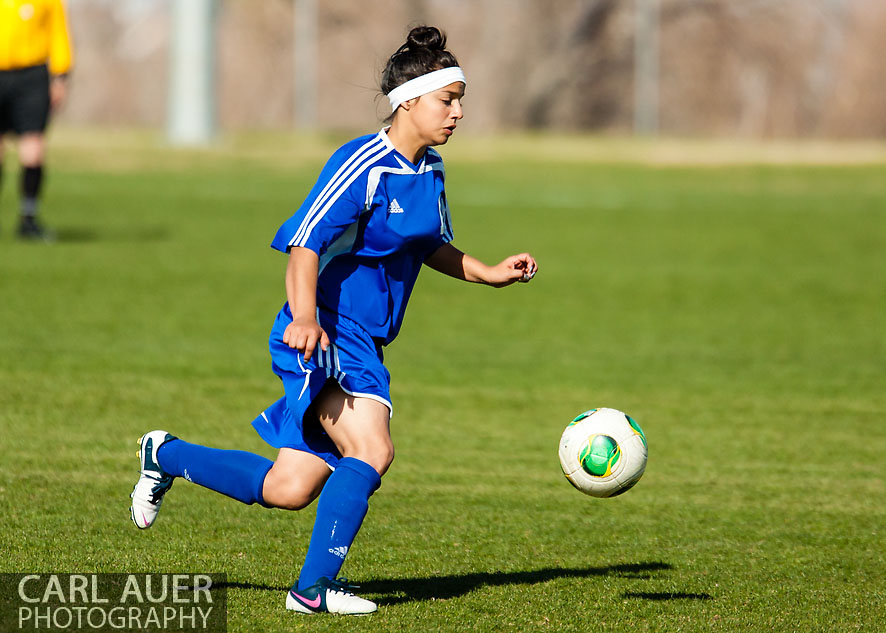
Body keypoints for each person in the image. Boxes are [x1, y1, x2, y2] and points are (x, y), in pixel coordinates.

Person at [129, 26, 538, 616]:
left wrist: (490, 271)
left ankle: (163, 455)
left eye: (459, 99)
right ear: (409, 101)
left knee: (287, 489)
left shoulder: (431, 171)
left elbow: (429, 245)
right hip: (327, 330)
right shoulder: (362, 164)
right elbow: (304, 244)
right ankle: (311, 593)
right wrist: (303, 317)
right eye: (447, 99)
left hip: (362, 339)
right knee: (372, 450)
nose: (458, 112)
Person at [0, 0, 72, 240]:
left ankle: (28, 219)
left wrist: (61, 74)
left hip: (32, 76)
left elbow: (58, 33)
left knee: (33, 147)